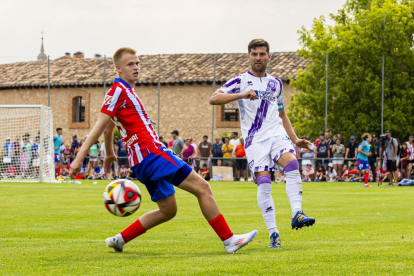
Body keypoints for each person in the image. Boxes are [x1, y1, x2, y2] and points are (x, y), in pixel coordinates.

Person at [69, 47, 256, 254]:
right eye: (131, 64)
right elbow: (99, 126)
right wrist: (79, 158)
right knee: (203, 187)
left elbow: (109, 128)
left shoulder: (125, 93)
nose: (136, 67)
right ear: (118, 68)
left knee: (168, 210)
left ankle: (120, 239)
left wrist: (111, 152)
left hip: (141, 161)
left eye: (138, 63)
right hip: (151, 153)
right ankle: (229, 240)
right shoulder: (119, 91)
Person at [209, 38, 315, 249]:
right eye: (254, 54)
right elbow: (214, 98)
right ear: (248, 56)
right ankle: (274, 233)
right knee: (265, 182)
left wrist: (295, 140)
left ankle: (297, 213)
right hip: (255, 140)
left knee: (293, 164)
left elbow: (282, 114)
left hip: (276, 134)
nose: (258, 58)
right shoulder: (239, 80)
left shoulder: (276, 83)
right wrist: (241, 95)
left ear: (268, 56)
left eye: (262, 54)